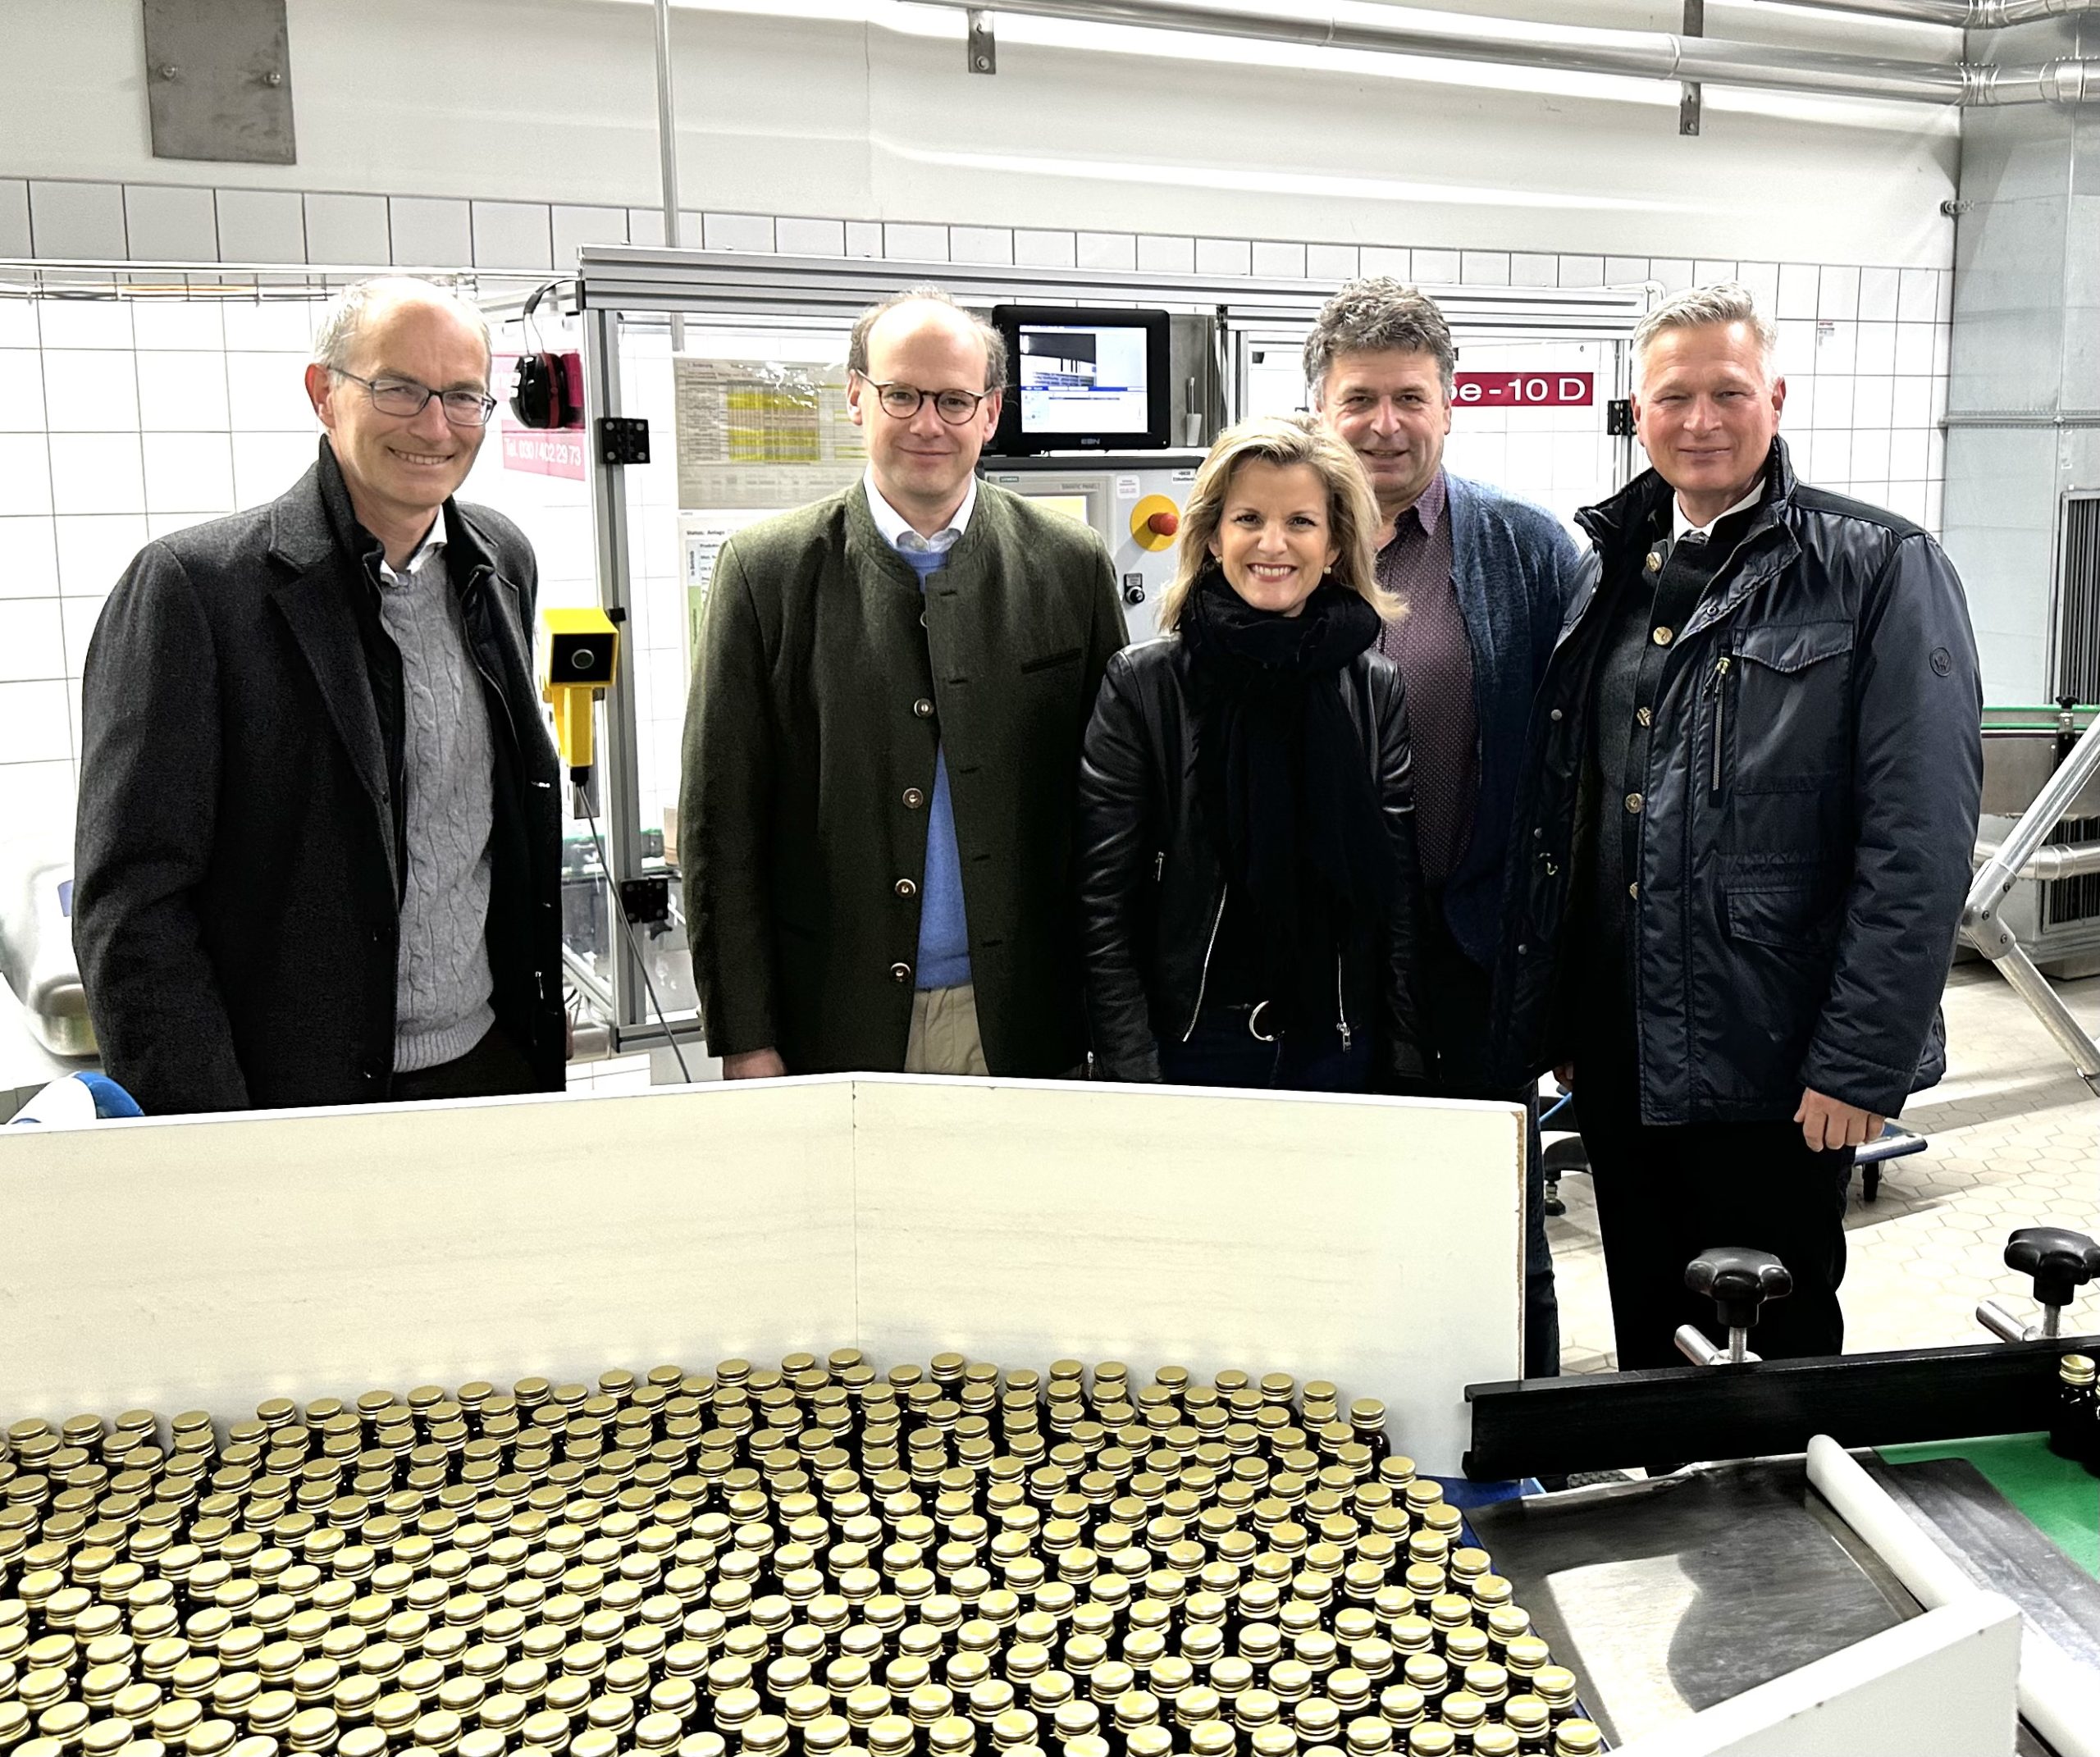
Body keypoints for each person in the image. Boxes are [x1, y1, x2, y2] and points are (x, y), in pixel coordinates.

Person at [1498, 282, 1983, 1368]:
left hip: (1775, 1053)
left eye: (1728, 392)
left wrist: (1862, 1059)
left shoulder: (1877, 567)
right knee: (1651, 1342)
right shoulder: (1609, 568)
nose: (1701, 420)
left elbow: (1922, 842)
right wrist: (1566, 1020)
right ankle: (1670, 1524)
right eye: (1674, 396)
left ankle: (1780, 1534)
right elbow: (1581, 812)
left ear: (1775, 397)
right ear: (1637, 410)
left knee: (1778, 1343)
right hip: (1621, 1056)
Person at [74, 276, 565, 1114]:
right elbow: (134, 910)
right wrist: (208, 1134)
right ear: (324, 395)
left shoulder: (499, 562)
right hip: (293, 1098)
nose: (435, 425)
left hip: (489, 1070)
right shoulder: (197, 591)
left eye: (462, 396)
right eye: (399, 389)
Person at [682, 286, 1126, 1079]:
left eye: (955, 400)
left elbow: (1111, 820)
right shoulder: (767, 573)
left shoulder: (1069, 566)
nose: (929, 423)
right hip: (838, 1023)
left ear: (991, 414)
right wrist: (747, 1039)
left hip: (1028, 1020)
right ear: (856, 397)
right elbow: (724, 830)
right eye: (903, 395)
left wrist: (1116, 1024)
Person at [1308, 278, 1580, 1376]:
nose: (1385, 424)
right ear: (1319, 406)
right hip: (1315, 964)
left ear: (1450, 404)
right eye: (1361, 397)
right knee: (1335, 1217)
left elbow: (1575, 778)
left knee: (1495, 1223)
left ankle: (1532, 1456)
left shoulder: (1527, 550)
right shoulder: (1268, 532)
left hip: (1473, 949)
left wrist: (1562, 968)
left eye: (1410, 397)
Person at [1078, 413, 1425, 1095]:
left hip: (1334, 1043)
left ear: (1333, 546)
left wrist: (1405, 1054)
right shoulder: (1145, 684)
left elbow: (1396, 894)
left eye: (1301, 521)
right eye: (1248, 519)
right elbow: (1101, 905)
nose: (1273, 543)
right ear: (1211, 537)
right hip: (1191, 1046)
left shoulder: (1373, 685)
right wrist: (1133, 1069)